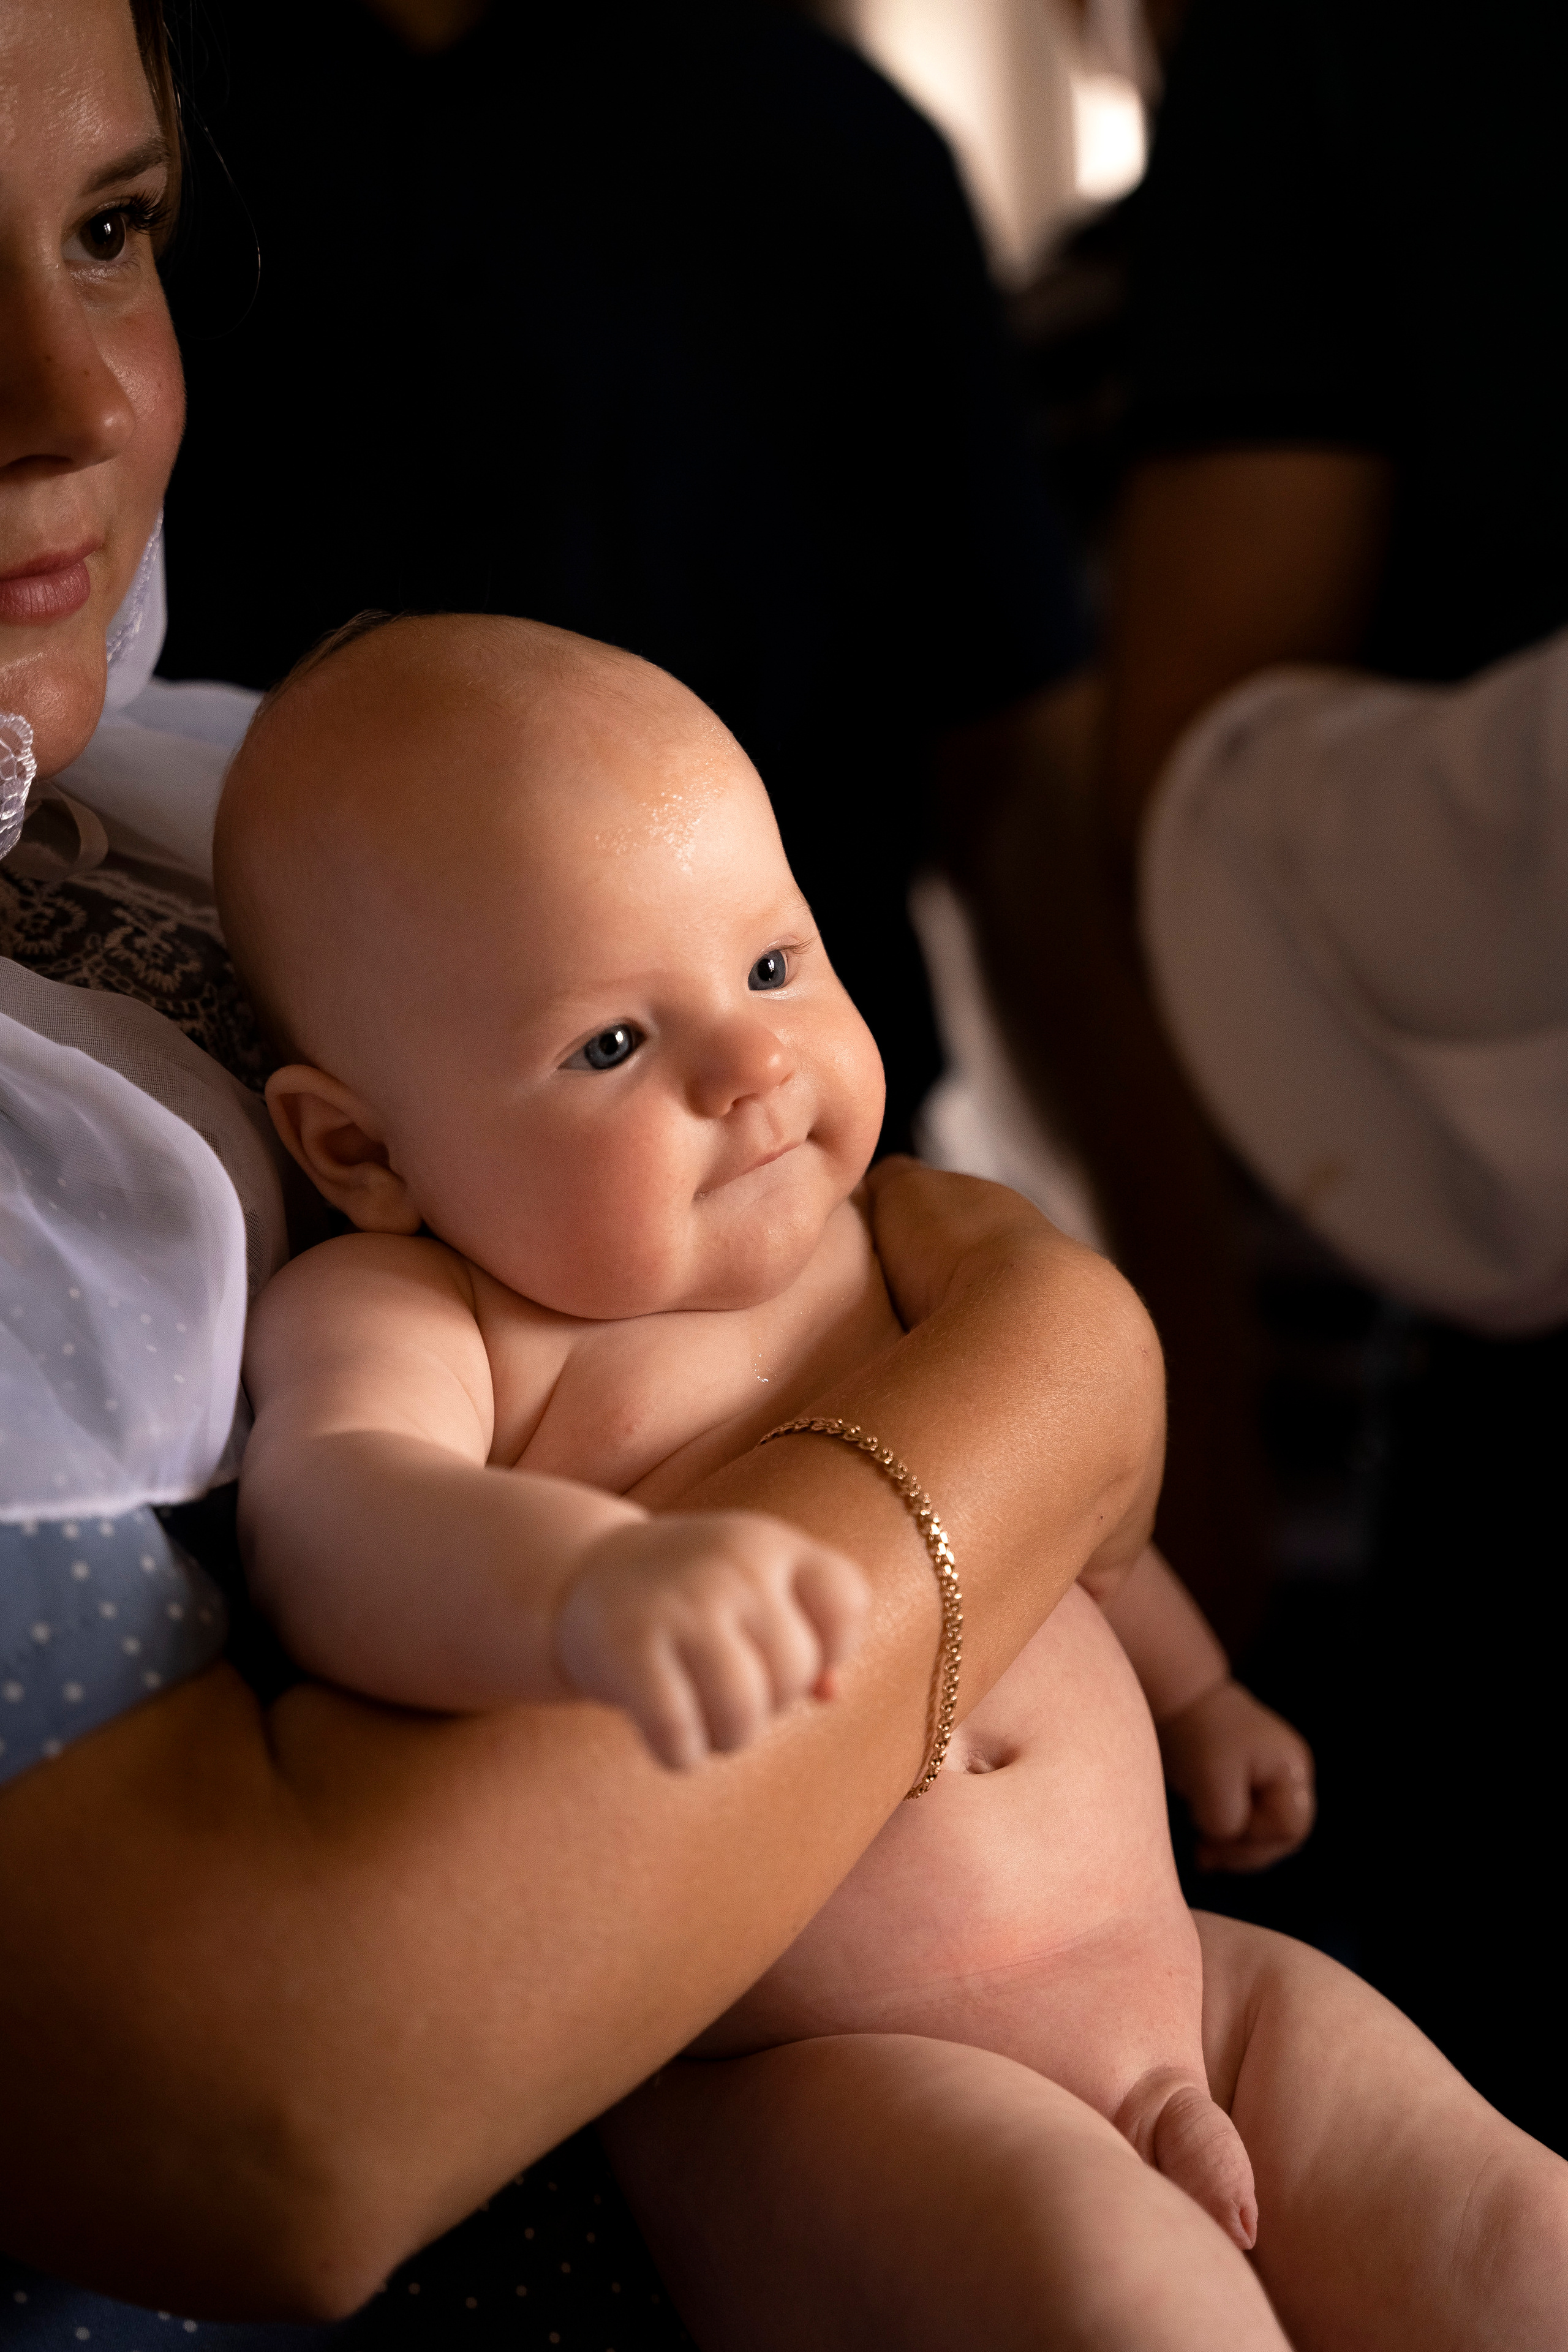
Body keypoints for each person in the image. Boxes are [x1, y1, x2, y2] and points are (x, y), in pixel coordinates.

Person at [0, 1, 1172, 2340]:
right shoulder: (366, 1176)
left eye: (111, 231)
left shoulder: (185, 795)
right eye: (619, 1038)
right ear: (357, 1148)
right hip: (822, 2121)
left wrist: (1108, 1409)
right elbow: (290, 2109)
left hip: (1138, 1968)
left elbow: (961, 1241)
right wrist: (1057, 1384)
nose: (78, 404)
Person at [213, 609, 1568, 2351]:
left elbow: (1065, 1517)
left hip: (1188, 1982)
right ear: (361, 1148)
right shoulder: (435, 1314)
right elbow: (331, 1517)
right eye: (613, 1044)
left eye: (774, 964)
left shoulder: (893, 1232)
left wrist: (1196, 1692)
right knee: (1130, 2309)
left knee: (1522, 2244)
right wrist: (579, 1585)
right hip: (830, 2075)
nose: (755, 1064)